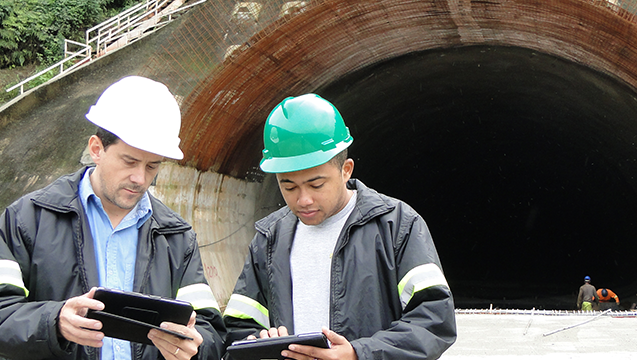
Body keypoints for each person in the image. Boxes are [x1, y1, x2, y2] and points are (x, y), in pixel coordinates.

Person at [0, 76, 227, 360]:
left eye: (152, 166)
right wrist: (54, 321)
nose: (140, 178)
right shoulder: (27, 219)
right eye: (129, 161)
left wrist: (196, 347)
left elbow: (211, 333)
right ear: (96, 149)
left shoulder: (177, 236)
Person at [223, 94, 456, 359]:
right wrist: (260, 343)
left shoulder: (397, 226)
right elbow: (238, 328)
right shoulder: (269, 239)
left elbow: (434, 320)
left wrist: (359, 353)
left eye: (316, 184)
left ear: (346, 169)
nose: (303, 199)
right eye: (288, 186)